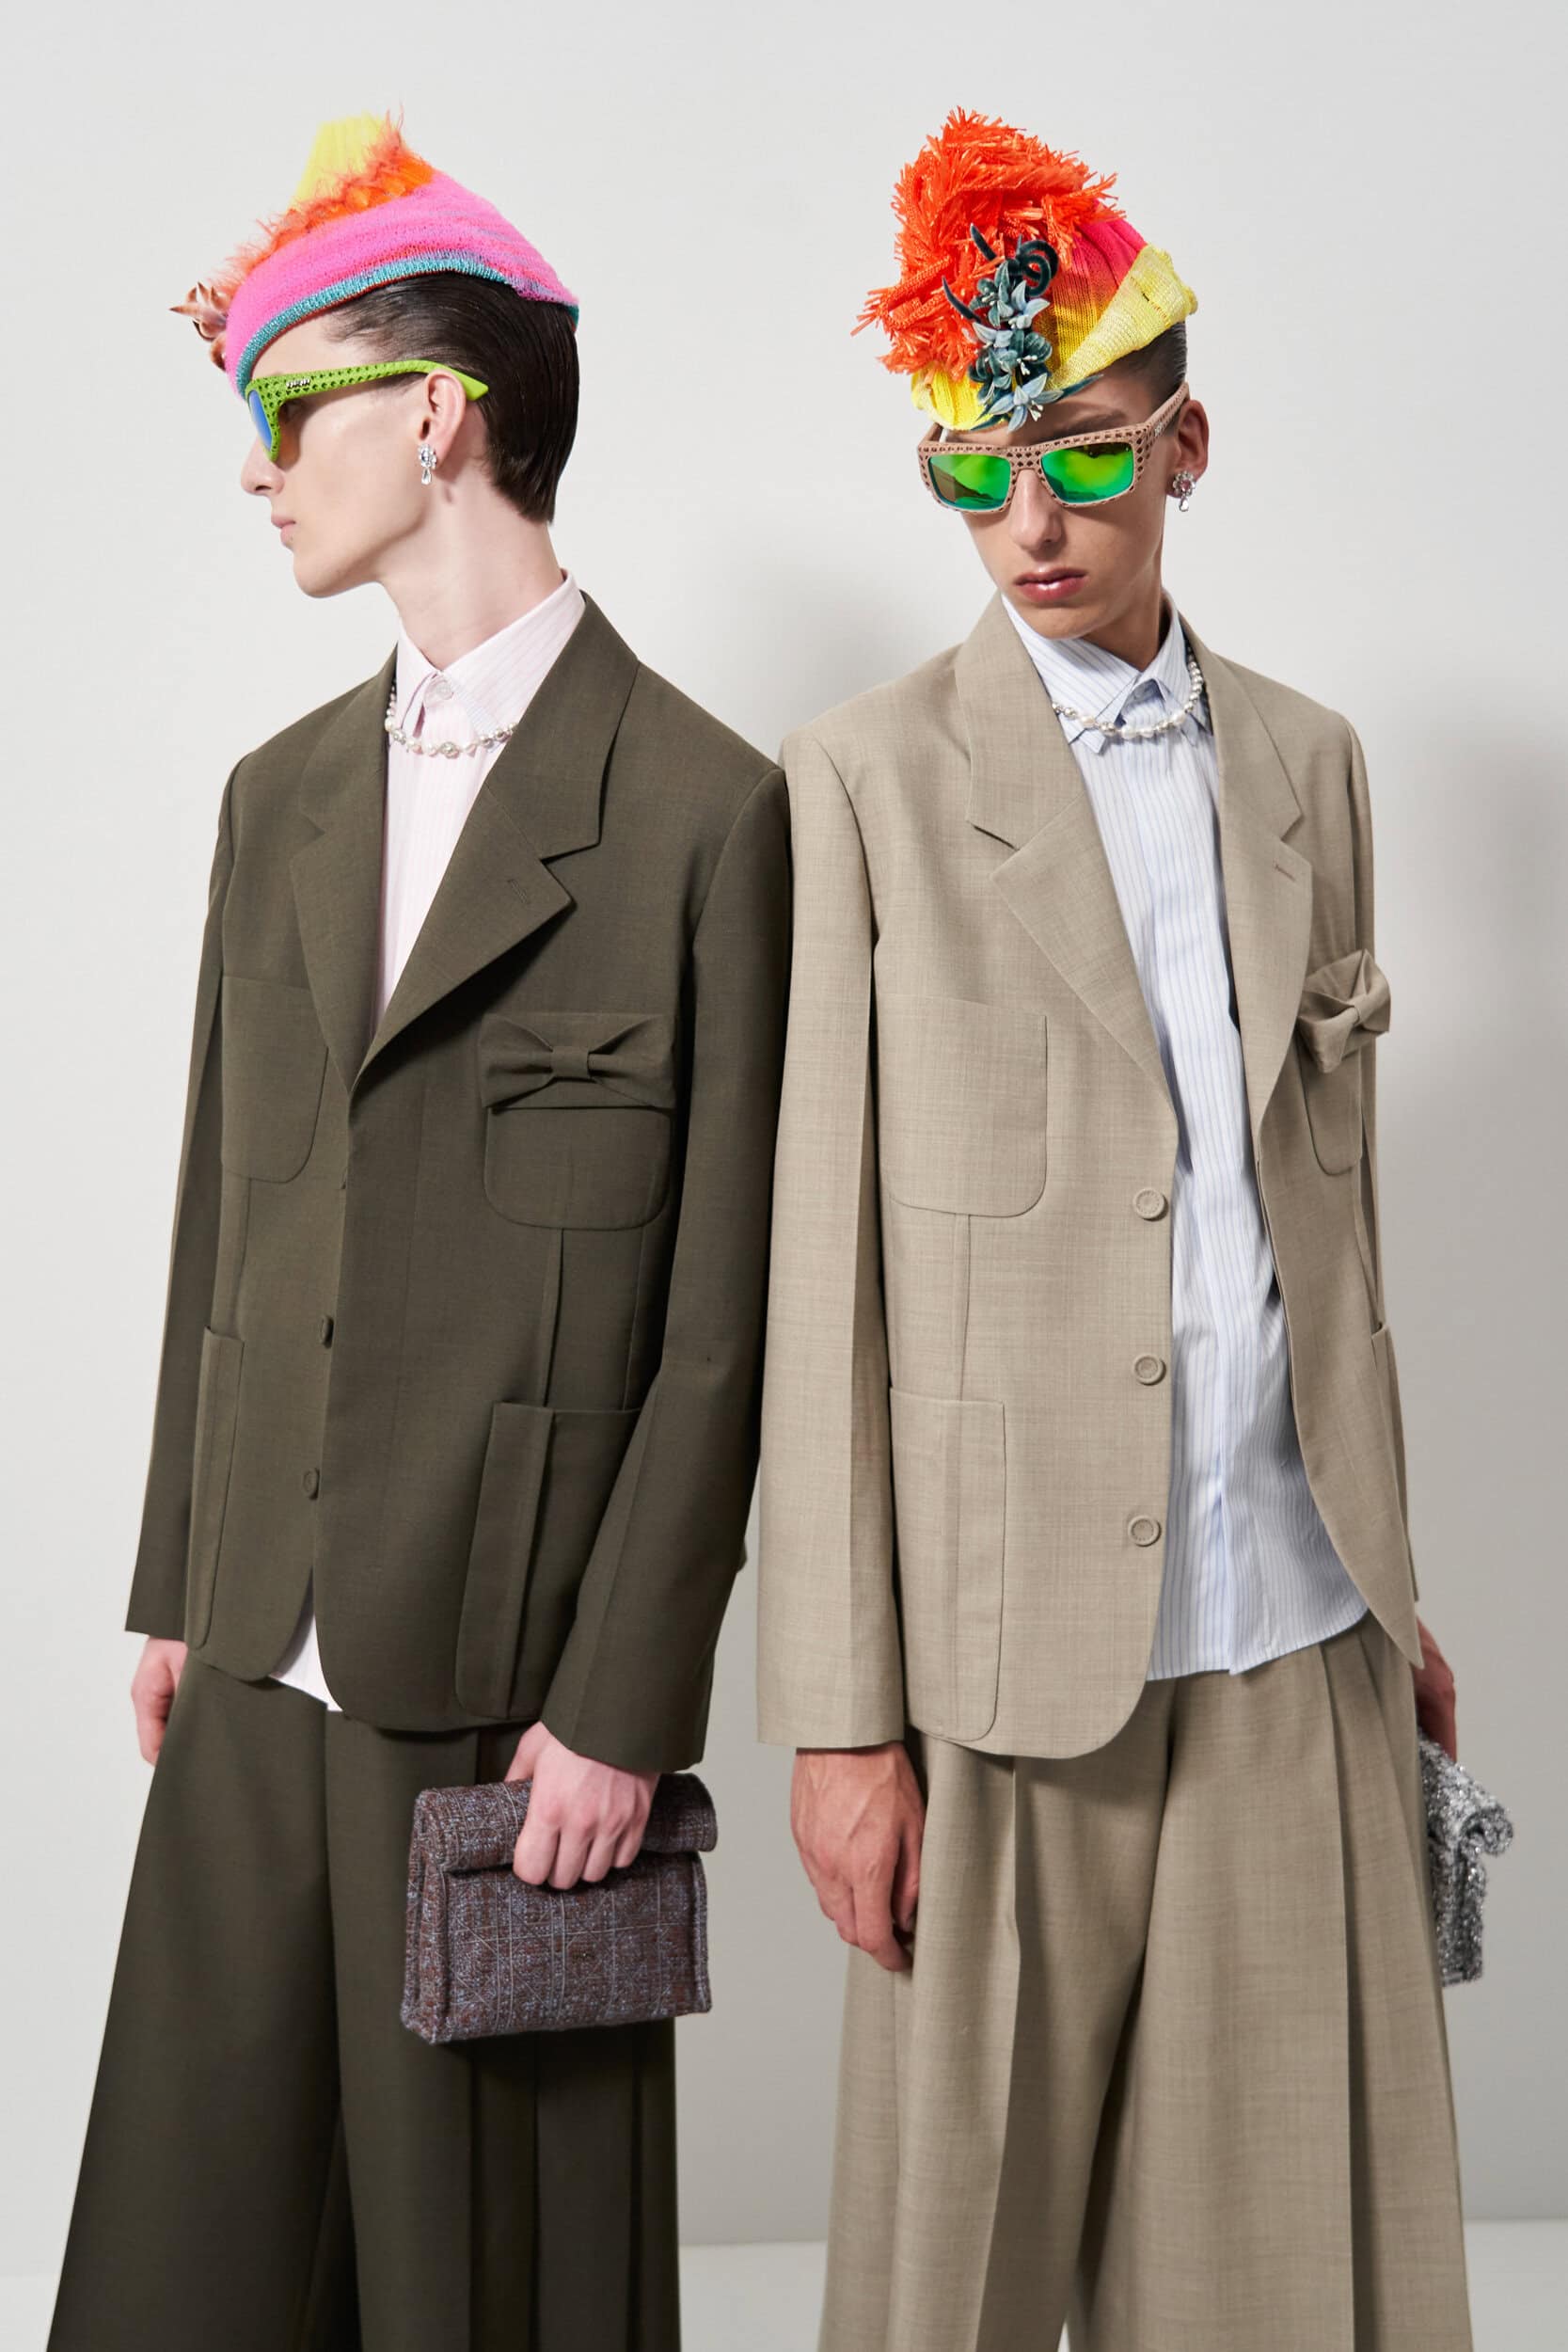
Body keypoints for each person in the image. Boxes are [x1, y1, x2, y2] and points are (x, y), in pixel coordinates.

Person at [50, 107, 790, 2352]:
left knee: (492, 2292)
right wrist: (181, 1571)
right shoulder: (276, 798)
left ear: (440, 415)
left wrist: (625, 1705)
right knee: (182, 2272)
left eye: (292, 412)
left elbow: (723, 1320)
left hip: (505, 1704)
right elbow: (226, 1202)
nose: (256, 469)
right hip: (249, 1650)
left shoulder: (706, 811)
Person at [757, 108, 1472, 2352]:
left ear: (1185, 445)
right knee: (945, 2283)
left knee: (1282, 2273)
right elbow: (820, 1282)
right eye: (971, 477)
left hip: (1293, 1620)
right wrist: (837, 1718)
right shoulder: (862, 781)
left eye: (1076, 459)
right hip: (997, 1672)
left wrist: (1397, 1582)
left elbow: (1331, 1217)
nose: (1031, 523)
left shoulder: (1312, 762)